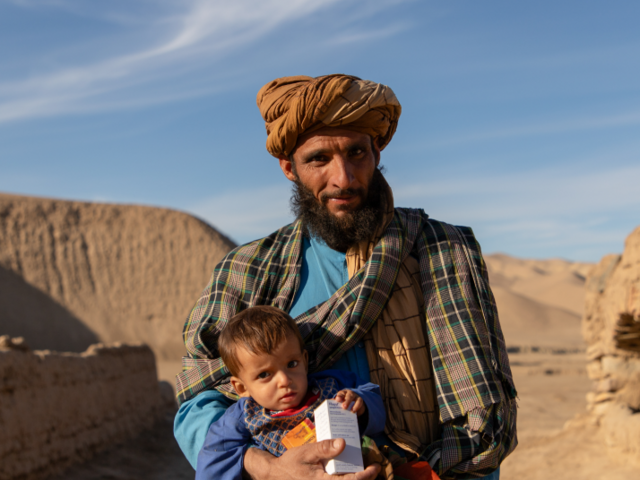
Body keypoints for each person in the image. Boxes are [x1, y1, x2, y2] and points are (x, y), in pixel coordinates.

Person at [174, 74, 517, 480]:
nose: (344, 178)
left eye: (357, 153)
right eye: (319, 159)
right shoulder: (245, 270)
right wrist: (270, 468)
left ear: (377, 151)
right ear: (289, 167)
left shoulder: (442, 250)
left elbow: (482, 407)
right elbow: (198, 404)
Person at [196, 305, 385, 480]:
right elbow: (211, 461)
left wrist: (361, 404)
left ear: (304, 360)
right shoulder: (244, 415)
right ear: (242, 388)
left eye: (292, 364)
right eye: (264, 374)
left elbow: (375, 399)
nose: (285, 380)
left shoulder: (331, 385)